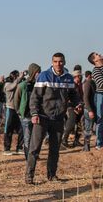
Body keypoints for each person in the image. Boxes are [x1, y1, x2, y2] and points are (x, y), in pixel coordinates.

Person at [26, 53, 80, 184]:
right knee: (35, 148)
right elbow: (35, 97)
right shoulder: (44, 76)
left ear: (64, 62)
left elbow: (74, 95)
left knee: (55, 149)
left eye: (60, 61)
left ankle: (51, 175)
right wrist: (34, 114)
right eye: (55, 61)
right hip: (42, 117)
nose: (58, 64)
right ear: (52, 62)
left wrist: (78, 104)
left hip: (58, 118)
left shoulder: (68, 78)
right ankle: (29, 176)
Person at [14, 63, 41, 159]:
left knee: (36, 137)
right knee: (27, 137)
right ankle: (28, 157)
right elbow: (16, 100)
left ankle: (34, 155)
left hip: (37, 115)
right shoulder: (22, 85)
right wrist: (19, 112)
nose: (39, 74)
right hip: (26, 116)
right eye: (38, 72)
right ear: (33, 72)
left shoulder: (39, 85)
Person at [3, 70, 24, 155]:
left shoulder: (17, 83)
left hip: (18, 110)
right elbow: (13, 86)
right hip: (10, 109)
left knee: (21, 129)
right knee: (8, 129)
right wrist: (19, 78)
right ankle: (6, 149)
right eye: (17, 76)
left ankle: (19, 148)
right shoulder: (7, 84)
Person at [61, 69, 84, 148]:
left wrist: (80, 104)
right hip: (71, 106)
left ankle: (76, 140)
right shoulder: (71, 85)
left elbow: (81, 96)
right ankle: (64, 139)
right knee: (71, 122)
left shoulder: (79, 85)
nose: (80, 77)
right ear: (75, 77)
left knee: (79, 124)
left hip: (79, 106)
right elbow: (68, 97)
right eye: (79, 76)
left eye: (80, 76)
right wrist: (75, 106)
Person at [88, 52, 103, 149]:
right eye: (97, 54)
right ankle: (99, 143)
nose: (100, 54)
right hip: (101, 95)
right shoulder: (95, 70)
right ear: (94, 60)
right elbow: (101, 83)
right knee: (100, 119)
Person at [82, 70, 96, 151]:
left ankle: (86, 147)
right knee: (88, 129)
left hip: (91, 109)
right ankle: (86, 147)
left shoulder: (91, 83)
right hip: (89, 109)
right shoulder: (88, 83)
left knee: (89, 129)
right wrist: (90, 110)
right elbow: (85, 98)